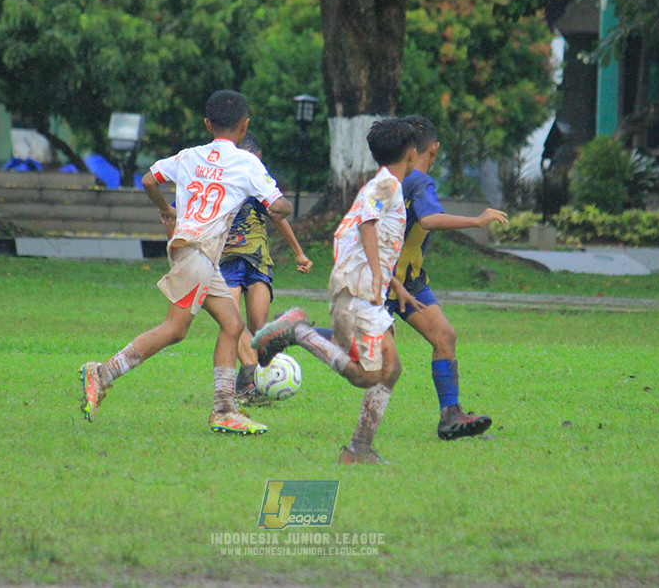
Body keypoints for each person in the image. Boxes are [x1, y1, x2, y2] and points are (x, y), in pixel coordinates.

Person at [79, 90, 293, 435]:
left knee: (233, 324)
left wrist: (166, 211)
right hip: (199, 252)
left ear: (208, 124)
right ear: (245, 125)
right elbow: (281, 206)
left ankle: (224, 409)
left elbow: (149, 179)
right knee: (174, 329)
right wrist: (276, 207)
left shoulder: (191, 155)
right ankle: (102, 373)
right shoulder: (247, 162)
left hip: (193, 249)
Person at [251, 118, 418, 464]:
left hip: (360, 288)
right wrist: (376, 274)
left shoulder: (385, 184)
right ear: (412, 153)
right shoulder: (387, 185)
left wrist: (391, 281)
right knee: (366, 375)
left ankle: (359, 449)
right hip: (357, 292)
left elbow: (366, 233)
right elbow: (367, 224)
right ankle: (298, 331)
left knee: (392, 368)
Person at [385, 115, 508, 440]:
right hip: (382, 282)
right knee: (365, 359)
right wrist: (477, 221)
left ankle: (451, 416)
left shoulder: (389, 178)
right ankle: (299, 331)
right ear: (434, 149)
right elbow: (428, 219)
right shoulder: (419, 181)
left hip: (408, 281)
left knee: (444, 336)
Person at [218, 133, 313, 405]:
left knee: (258, 329)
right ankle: (249, 384)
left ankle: (250, 381)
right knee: (231, 322)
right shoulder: (218, 180)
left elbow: (277, 214)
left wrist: (298, 252)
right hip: (226, 260)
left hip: (258, 259)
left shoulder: (259, 181)